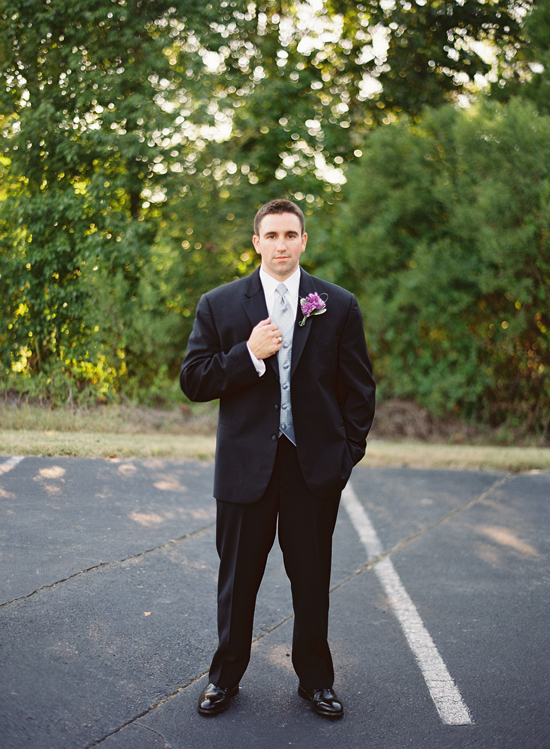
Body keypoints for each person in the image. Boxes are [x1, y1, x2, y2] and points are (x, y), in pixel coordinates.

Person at [180, 199, 375, 719]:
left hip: (312, 470)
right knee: (237, 581)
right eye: (272, 235)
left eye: (292, 234)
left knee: (311, 581)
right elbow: (194, 380)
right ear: (257, 242)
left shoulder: (337, 304)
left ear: (304, 241)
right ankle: (224, 678)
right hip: (246, 469)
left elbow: (359, 391)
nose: (282, 244)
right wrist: (248, 354)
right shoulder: (219, 304)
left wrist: (345, 457)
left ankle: (315, 681)